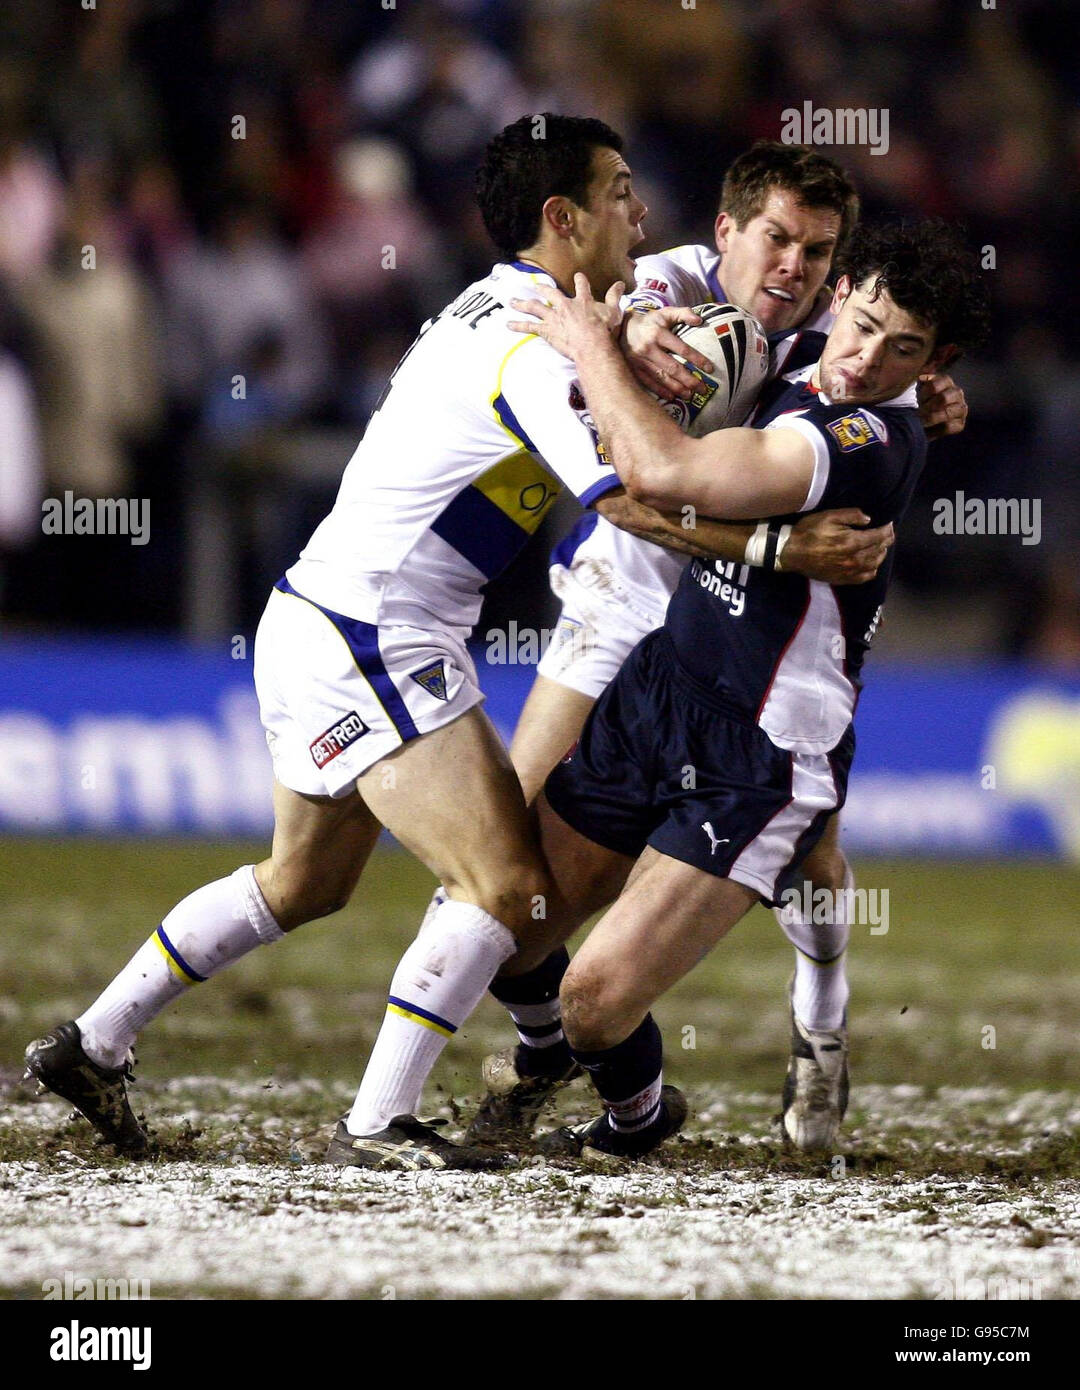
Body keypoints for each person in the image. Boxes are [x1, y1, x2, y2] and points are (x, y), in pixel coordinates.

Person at [22, 115, 878, 1168]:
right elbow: (627, 498)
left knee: (306, 881)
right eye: (618, 194)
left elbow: (676, 301)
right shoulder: (527, 349)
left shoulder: (520, 303)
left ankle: (94, 1041)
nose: (638, 213)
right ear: (562, 219)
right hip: (375, 630)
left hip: (325, 613)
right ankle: (384, 1120)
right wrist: (784, 547)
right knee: (506, 887)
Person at [467, 143, 969, 1153]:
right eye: (775, 238)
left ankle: (817, 1029)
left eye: (817, 251)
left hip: (766, 672)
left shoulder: (858, 366)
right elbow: (629, 333)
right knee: (499, 892)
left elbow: (902, 366)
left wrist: (931, 399)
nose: (792, 266)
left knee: (812, 851)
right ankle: (547, 1048)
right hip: (630, 605)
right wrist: (624, 332)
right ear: (731, 231)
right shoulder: (672, 284)